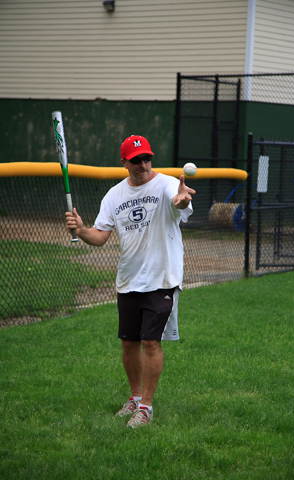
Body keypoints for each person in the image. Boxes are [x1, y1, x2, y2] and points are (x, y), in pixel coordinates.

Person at [65, 135, 195, 428]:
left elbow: (180, 203)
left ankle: (146, 408)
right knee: (128, 344)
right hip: (128, 280)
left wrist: (181, 200)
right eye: (136, 160)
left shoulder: (167, 185)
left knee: (151, 342)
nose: (143, 164)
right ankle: (135, 398)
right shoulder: (114, 196)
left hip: (162, 278)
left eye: (147, 158)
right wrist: (81, 229)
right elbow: (99, 237)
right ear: (124, 162)